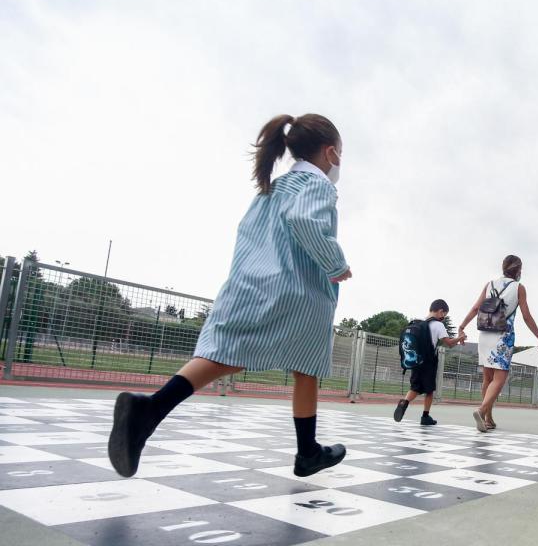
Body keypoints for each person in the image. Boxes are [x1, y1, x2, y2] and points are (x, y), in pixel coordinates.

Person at [107, 113, 353, 479]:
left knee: (230, 353)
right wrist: (336, 265)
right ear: (331, 153)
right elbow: (305, 222)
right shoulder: (316, 185)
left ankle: (152, 410)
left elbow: (248, 235)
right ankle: (306, 451)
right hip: (298, 290)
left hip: (252, 281)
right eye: (341, 155)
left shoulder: (272, 188)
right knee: (306, 363)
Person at [458, 255, 538, 433]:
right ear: (519, 270)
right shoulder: (519, 288)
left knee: (487, 378)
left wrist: (462, 326)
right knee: (499, 379)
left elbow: (476, 308)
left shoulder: (489, 284)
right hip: (502, 336)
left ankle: (488, 418)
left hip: (484, 334)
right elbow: (526, 316)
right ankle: (482, 410)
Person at [394, 299, 466, 425]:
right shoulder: (438, 325)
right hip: (429, 361)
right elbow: (448, 344)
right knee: (429, 390)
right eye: (444, 314)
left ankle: (404, 402)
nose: (443, 317)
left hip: (417, 360)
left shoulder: (420, 323)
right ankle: (425, 416)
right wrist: (460, 338)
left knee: (415, 387)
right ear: (440, 311)